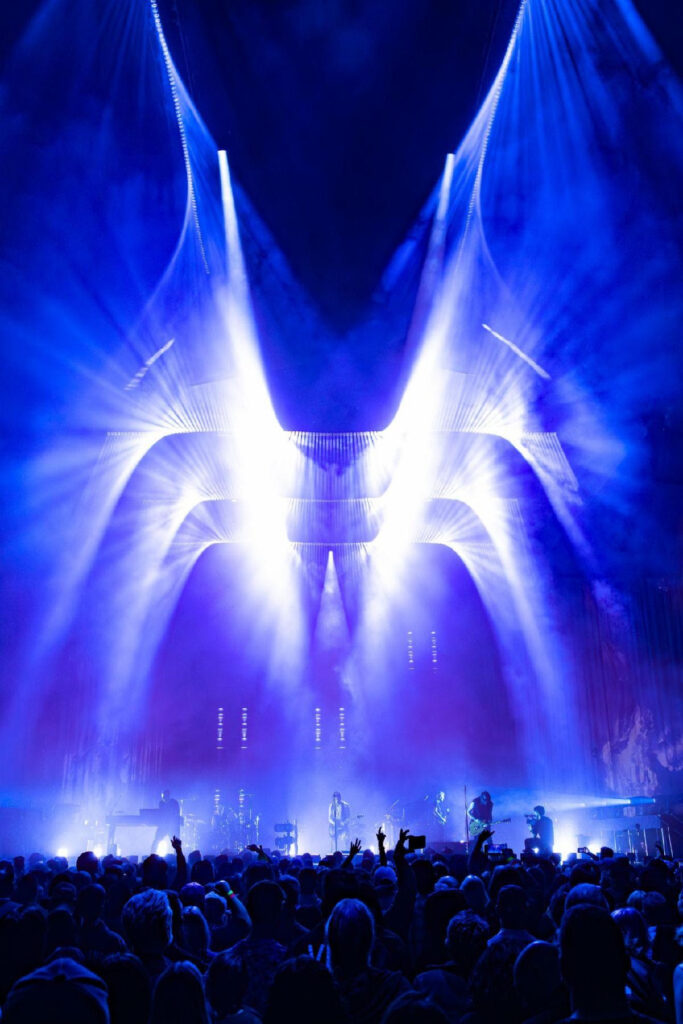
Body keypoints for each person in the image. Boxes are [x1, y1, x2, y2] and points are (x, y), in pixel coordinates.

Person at [152, 790, 181, 855]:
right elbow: (160, 813)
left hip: (172, 826)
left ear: (168, 795)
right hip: (164, 826)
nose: (164, 797)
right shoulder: (161, 803)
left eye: (165, 795)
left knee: (175, 842)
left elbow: (176, 813)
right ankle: (153, 854)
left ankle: (177, 855)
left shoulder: (174, 802)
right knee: (157, 840)